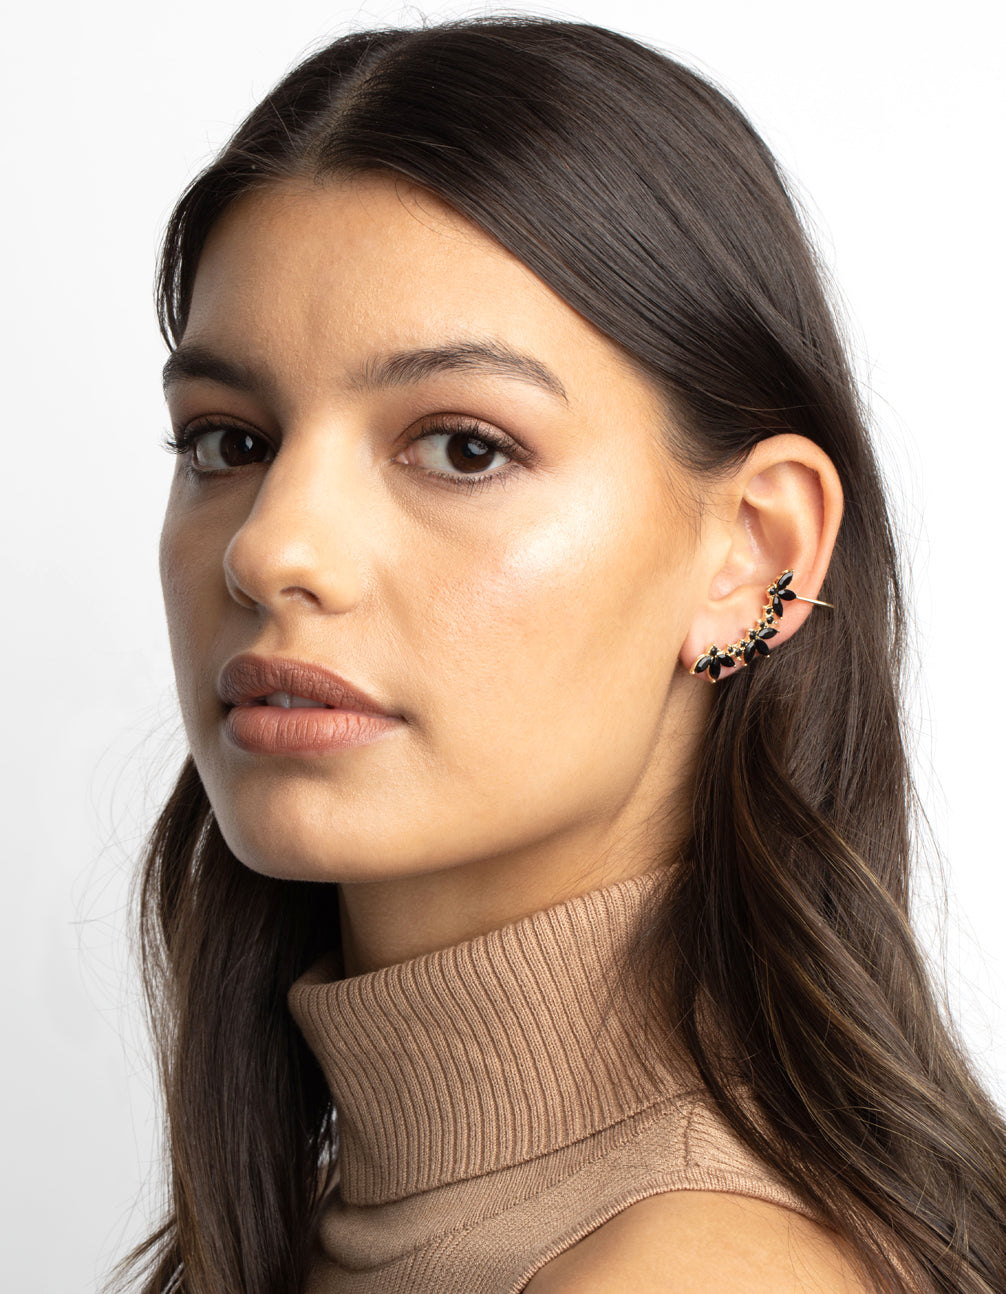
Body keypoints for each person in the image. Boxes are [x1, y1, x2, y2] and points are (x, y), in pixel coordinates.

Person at [108, 15, 1006, 1294]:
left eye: (463, 446)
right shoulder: (343, 1222)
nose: (270, 549)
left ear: (755, 557)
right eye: (229, 442)